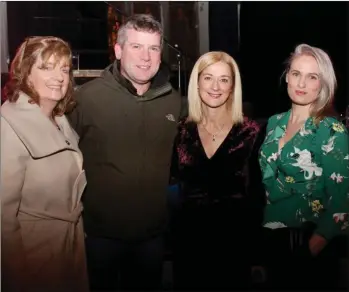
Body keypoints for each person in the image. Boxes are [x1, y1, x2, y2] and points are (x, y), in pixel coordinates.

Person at [67, 14, 183, 291]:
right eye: (136, 47)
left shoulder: (174, 102)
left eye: (153, 48)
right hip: (98, 236)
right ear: (118, 50)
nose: (146, 57)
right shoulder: (85, 99)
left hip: (152, 237)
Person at [170, 51, 266, 290]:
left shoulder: (252, 133)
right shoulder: (182, 131)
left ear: (233, 86)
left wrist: (257, 257)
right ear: (197, 82)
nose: (215, 86)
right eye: (208, 78)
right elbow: (174, 186)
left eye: (224, 79)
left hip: (235, 250)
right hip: (188, 249)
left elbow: (259, 198)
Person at [1, 36, 88, 292]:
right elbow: (2, 218)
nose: (59, 76)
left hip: (67, 249)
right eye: (46, 67)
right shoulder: (9, 125)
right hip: (34, 256)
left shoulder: (59, 119)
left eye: (64, 69)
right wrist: (18, 275)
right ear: (25, 73)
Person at [259, 44, 349, 290]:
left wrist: (309, 251)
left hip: (311, 242)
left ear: (322, 83)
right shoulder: (275, 122)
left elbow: (342, 202)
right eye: (296, 73)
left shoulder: (331, 130)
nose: (301, 83)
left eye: (312, 77)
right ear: (287, 76)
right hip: (272, 238)